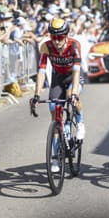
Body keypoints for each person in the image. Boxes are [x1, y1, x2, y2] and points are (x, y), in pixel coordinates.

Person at [30, 18, 85, 173]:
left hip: (73, 76)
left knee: (70, 95)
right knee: (54, 111)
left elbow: (76, 71)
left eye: (60, 37)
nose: (56, 41)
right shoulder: (46, 46)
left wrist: (74, 93)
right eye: (53, 36)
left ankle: (80, 122)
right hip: (58, 78)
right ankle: (55, 157)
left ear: (66, 35)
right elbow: (41, 72)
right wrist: (36, 95)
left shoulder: (74, 45)